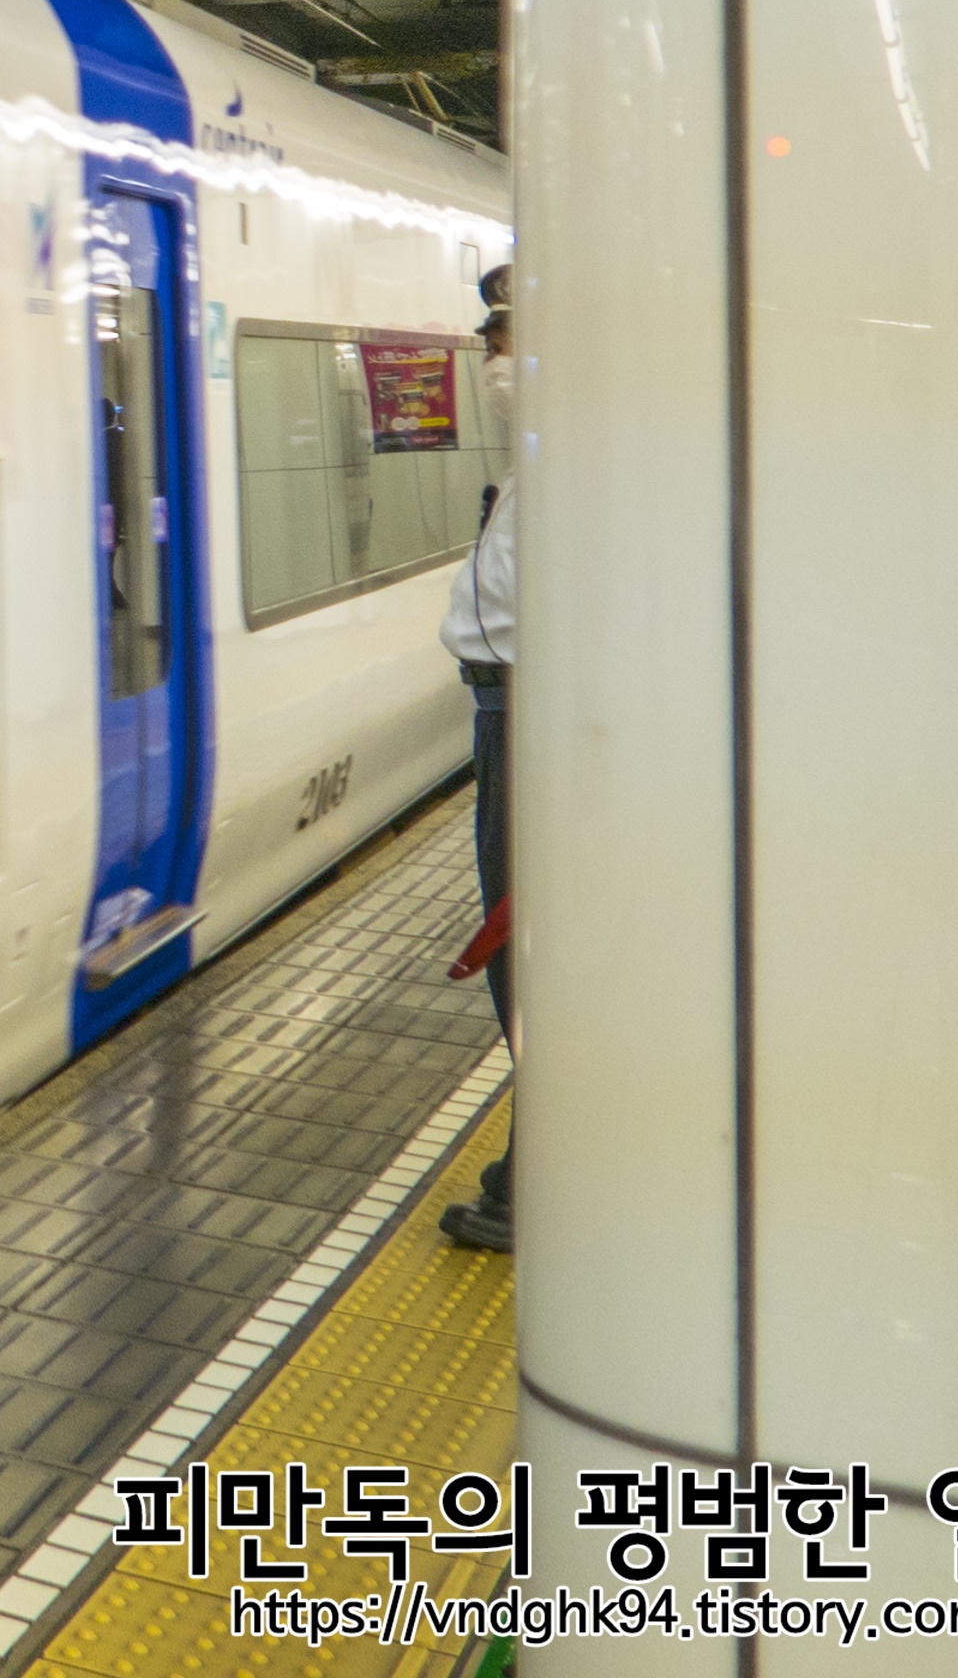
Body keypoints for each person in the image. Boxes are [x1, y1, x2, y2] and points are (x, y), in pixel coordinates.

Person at [436, 271, 517, 1253]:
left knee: (530, 956)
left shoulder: (585, 459)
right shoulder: (553, 457)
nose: (492, 353)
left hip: (529, 719)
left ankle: (537, 1181)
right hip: (514, 709)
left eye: (503, 332)